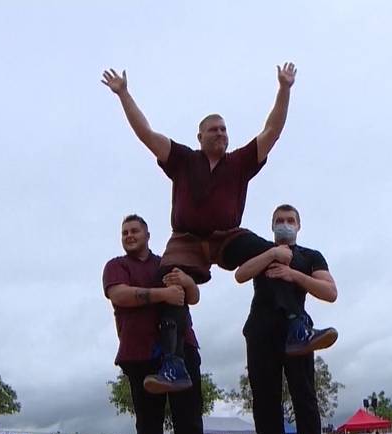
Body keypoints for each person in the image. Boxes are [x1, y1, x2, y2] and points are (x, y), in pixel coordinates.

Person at [102, 64, 336, 393]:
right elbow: (147, 135)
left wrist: (284, 89)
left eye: (224, 129)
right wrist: (124, 94)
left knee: (278, 254)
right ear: (200, 137)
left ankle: (297, 326)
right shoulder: (184, 159)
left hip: (227, 237)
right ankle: (173, 363)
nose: (220, 134)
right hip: (186, 239)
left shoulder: (239, 163)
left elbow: (272, 131)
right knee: (170, 280)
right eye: (213, 130)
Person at [103, 214, 215, 434]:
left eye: (135, 231)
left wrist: (187, 281)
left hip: (181, 343)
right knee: (147, 416)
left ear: (147, 235)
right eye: (125, 232)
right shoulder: (116, 266)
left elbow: (193, 297)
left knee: (188, 411)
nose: (129, 235)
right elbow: (119, 295)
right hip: (139, 348)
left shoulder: (166, 263)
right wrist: (161, 295)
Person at [232, 204, 337, 434]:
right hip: (261, 331)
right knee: (266, 398)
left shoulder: (311, 256)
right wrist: (272, 255)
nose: (284, 224)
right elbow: (240, 275)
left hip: (297, 337)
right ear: (272, 225)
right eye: (279, 220)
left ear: (299, 225)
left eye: (290, 220)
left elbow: (330, 292)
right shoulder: (263, 251)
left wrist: (294, 275)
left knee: (305, 395)